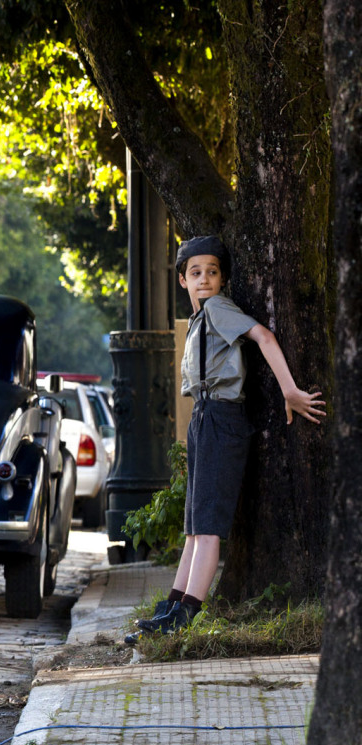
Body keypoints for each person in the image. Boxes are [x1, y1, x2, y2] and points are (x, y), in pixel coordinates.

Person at [127, 235, 325, 642]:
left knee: (209, 526)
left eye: (212, 272)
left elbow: (264, 338)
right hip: (203, 415)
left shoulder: (218, 307)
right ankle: (172, 607)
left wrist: (290, 390)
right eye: (195, 273)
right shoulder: (202, 318)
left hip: (222, 416)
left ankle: (185, 617)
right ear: (182, 280)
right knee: (195, 526)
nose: (205, 280)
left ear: (221, 280)